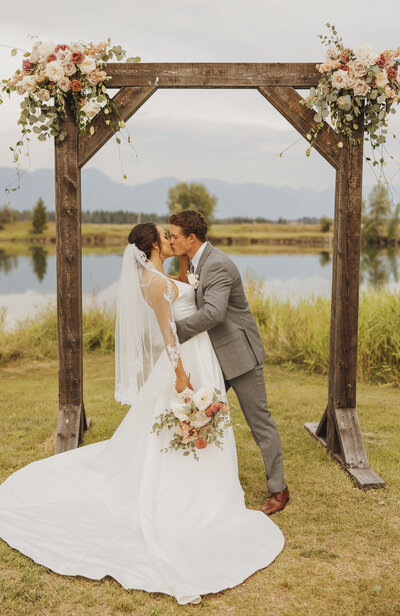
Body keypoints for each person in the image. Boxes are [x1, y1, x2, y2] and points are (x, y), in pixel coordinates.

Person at [0, 222, 284, 606]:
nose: (171, 239)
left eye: (175, 235)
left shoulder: (168, 273)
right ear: (153, 244)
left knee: (207, 418)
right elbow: (169, 333)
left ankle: (228, 480)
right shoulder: (153, 281)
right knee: (185, 419)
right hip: (188, 359)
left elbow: (197, 304)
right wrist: (181, 373)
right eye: (166, 236)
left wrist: (184, 282)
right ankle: (192, 490)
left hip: (205, 356)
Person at [169, 210, 289, 515]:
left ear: (191, 238)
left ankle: (279, 489)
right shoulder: (197, 262)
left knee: (259, 422)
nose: (171, 240)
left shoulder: (218, 264)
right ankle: (199, 481)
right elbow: (185, 288)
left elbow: (213, 313)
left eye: (175, 236)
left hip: (240, 357)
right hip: (213, 359)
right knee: (198, 414)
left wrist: (175, 332)